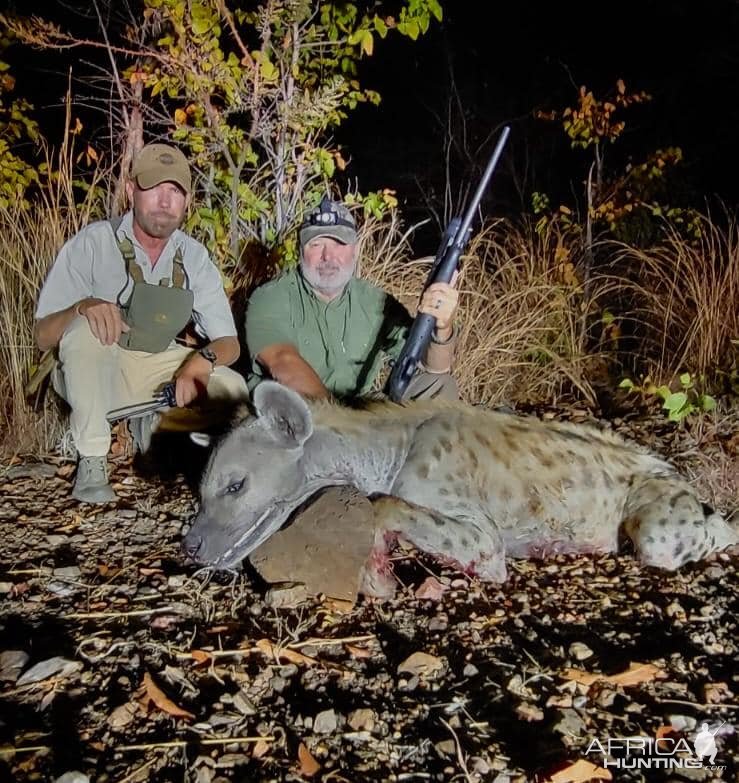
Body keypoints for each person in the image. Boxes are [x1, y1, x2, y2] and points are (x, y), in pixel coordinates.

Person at [35, 143, 248, 503]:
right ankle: (92, 457)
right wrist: (83, 307)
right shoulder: (93, 242)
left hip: (156, 367)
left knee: (235, 390)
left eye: (175, 191)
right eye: (154, 187)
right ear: (132, 191)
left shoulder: (194, 257)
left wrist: (199, 363)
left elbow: (229, 342)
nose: (165, 202)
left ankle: (156, 423)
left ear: (187, 201)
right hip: (96, 369)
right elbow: (42, 336)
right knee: (89, 328)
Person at [245, 196, 460, 401]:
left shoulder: (375, 301)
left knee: (440, 385)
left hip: (355, 410)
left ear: (355, 250)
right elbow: (283, 362)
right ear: (301, 251)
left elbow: (434, 368)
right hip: (295, 410)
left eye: (338, 243)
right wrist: (339, 423)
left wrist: (442, 327)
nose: (327, 256)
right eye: (317, 244)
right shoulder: (270, 298)